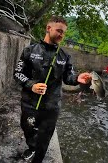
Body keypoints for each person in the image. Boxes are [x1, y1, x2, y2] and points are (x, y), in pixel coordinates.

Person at [13, 16, 91, 163]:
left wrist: (77, 78)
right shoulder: (29, 50)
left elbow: (69, 77)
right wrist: (32, 85)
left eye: (64, 33)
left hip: (52, 106)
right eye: (59, 31)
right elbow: (18, 74)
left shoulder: (65, 56)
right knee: (27, 127)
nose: (61, 35)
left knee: (45, 137)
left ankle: (38, 159)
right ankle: (32, 147)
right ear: (48, 28)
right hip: (30, 103)